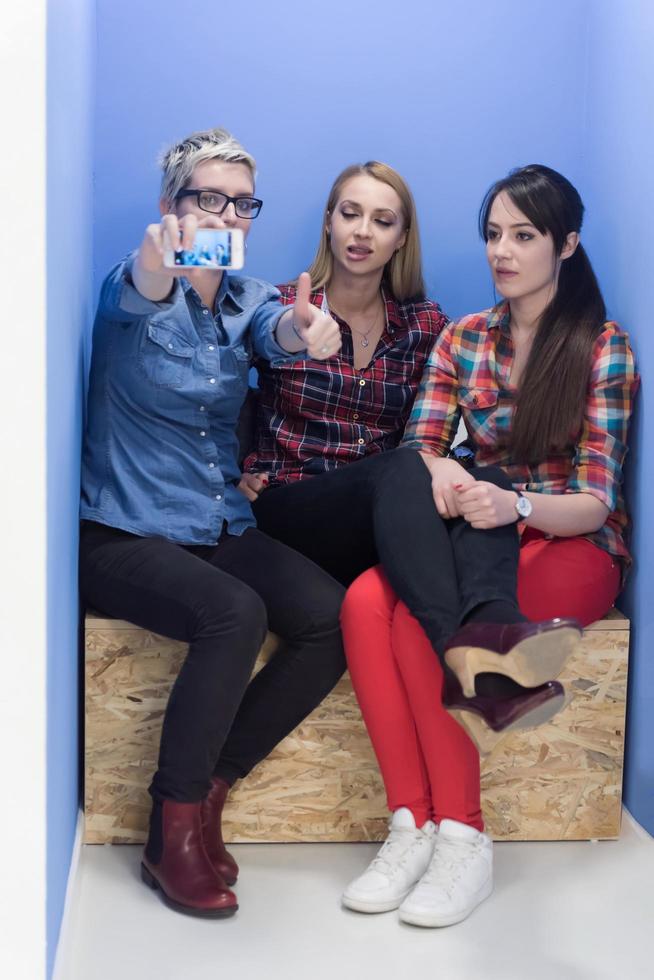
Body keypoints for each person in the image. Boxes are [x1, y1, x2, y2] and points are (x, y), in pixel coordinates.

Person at [338, 164, 638, 927]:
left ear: (566, 244)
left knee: (421, 622)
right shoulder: (462, 339)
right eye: (494, 235)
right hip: (478, 534)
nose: (503, 251)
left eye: (525, 236)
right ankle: (413, 823)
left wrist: (516, 503)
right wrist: (448, 477)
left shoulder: (603, 349)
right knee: (368, 599)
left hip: (570, 545)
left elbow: (596, 500)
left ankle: (465, 838)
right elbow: (419, 451)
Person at [79, 127, 346, 918]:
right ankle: (171, 829)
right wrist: (160, 259)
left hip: (217, 525)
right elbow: (145, 281)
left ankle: (210, 791)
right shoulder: (132, 294)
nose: (228, 215)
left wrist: (310, 332)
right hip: (124, 533)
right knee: (234, 613)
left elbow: (281, 333)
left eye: (242, 202)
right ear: (173, 206)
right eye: (209, 199)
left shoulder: (251, 299)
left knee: (329, 618)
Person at [240, 161, 448, 586]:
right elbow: (213, 391)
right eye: (350, 214)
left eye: (382, 221)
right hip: (287, 508)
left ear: (401, 238)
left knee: (416, 475)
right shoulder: (280, 306)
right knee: (403, 468)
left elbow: (443, 420)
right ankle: (460, 643)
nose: (363, 231)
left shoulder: (424, 324)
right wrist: (230, 473)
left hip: (376, 520)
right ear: (329, 223)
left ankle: (466, 636)